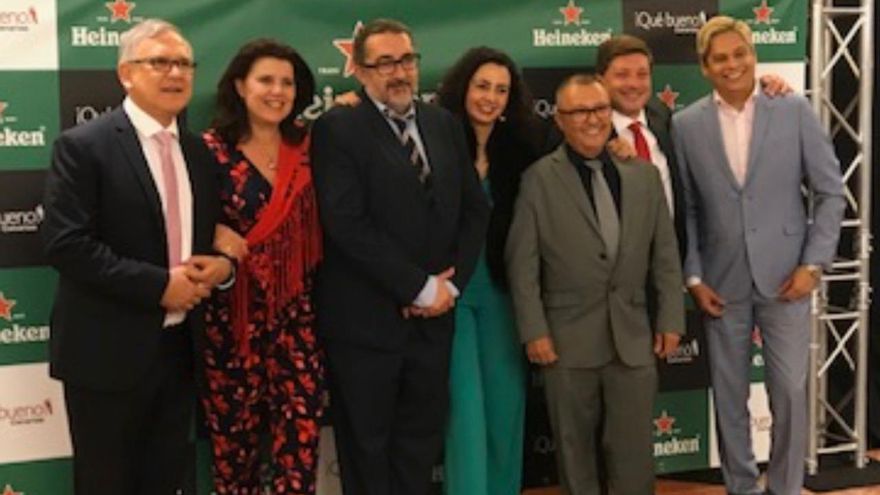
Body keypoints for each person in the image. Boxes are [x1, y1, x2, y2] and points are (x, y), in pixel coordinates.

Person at [41, 18, 233, 495]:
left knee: (165, 481)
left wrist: (222, 268)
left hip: (179, 352)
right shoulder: (83, 146)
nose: (176, 73)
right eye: (160, 63)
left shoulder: (199, 153)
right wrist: (159, 285)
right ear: (126, 73)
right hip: (105, 354)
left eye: (184, 63)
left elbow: (205, 241)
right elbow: (67, 244)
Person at [310, 18, 489, 495]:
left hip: (433, 324)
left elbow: (474, 210)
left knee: (419, 445)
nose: (399, 72)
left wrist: (449, 286)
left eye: (406, 60)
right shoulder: (337, 128)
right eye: (384, 63)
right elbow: (346, 223)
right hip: (366, 327)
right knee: (367, 451)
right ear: (359, 70)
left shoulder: (443, 124)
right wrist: (418, 287)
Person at [674, 16, 844, 495]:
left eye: (739, 54)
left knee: (789, 392)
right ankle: (742, 488)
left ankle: (785, 488)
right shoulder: (686, 125)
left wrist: (813, 265)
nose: (732, 65)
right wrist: (694, 277)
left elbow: (831, 192)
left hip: (788, 278)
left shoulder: (793, 109)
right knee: (729, 397)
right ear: (704, 67)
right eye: (720, 58)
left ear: (753, 55)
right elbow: (688, 208)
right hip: (720, 283)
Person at [506, 74, 684, 495]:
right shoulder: (538, 179)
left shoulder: (643, 176)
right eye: (580, 111)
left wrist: (671, 319)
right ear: (560, 120)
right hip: (566, 341)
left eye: (600, 109)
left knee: (634, 453)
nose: (592, 119)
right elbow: (522, 263)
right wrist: (534, 331)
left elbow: (665, 255)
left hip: (633, 338)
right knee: (575, 453)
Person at [200, 39, 325, 494]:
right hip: (232, 326)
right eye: (266, 80)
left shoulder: (311, 147)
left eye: (287, 83)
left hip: (298, 323)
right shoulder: (209, 150)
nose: (277, 91)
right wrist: (212, 232)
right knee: (235, 457)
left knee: (300, 452)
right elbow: (179, 218)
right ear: (240, 86)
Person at [434, 47, 546, 495]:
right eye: (482, 86)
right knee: (464, 413)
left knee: (505, 411)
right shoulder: (436, 139)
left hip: (504, 296)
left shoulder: (525, 147)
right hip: (452, 295)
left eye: (501, 90)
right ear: (463, 87)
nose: (490, 97)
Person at [596, 34, 793, 260]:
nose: (633, 84)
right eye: (622, 75)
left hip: (671, 263)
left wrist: (763, 84)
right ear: (600, 80)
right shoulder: (589, 135)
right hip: (615, 268)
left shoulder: (662, 118)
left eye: (642, 74)